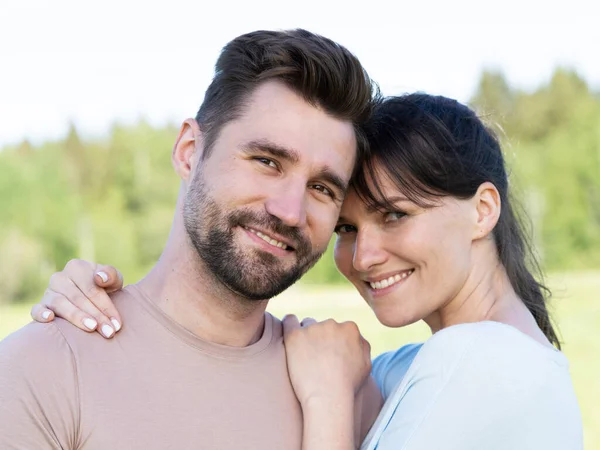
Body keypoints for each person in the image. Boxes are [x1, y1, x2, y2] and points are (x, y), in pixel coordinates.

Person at [32, 94, 584, 449]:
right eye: (346, 228)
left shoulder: (480, 364)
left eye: (395, 215)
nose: (364, 257)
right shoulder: (440, 364)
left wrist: (326, 403)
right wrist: (102, 297)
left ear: (483, 211)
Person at [0, 29, 384, 449]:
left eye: (322, 189)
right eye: (267, 161)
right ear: (188, 150)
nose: (290, 211)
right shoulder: (42, 369)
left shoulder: (347, 395)